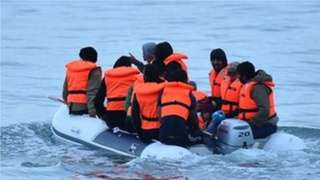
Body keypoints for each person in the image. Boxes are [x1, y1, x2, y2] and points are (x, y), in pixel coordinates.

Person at [95, 56, 140, 130]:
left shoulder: (107, 77)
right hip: (130, 118)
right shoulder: (137, 77)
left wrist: (103, 115)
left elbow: (97, 101)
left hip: (112, 118)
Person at [237, 61, 279, 139]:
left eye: (239, 75)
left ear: (244, 76)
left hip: (265, 125)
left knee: (236, 134)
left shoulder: (257, 88)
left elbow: (264, 110)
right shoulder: (249, 85)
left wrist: (251, 123)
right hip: (256, 124)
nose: (238, 78)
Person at [159, 69, 199, 147]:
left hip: (163, 134)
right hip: (181, 135)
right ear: (185, 80)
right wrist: (197, 130)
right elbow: (193, 117)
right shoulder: (189, 94)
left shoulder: (163, 92)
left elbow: (159, 115)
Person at [63, 47, 102, 117]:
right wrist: (93, 113)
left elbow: (65, 91)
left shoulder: (71, 69)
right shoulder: (94, 70)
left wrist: (68, 104)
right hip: (85, 108)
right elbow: (92, 93)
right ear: (95, 59)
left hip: (71, 106)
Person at [131, 64, 164, 142]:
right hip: (162, 130)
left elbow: (135, 116)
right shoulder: (164, 89)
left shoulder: (138, 92)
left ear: (145, 77)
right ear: (158, 75)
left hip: (146, 130)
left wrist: (139, 133)